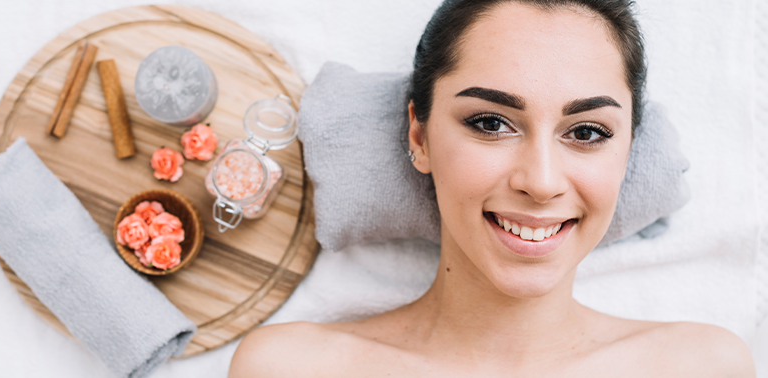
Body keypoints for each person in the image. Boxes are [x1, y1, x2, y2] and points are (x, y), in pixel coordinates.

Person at [229, 0, 756, 376]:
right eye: (489, 123)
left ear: (628, 152)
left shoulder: (703, 365)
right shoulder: (286, 368)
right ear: (420, 135)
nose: (541, 182)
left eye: (588, 132)